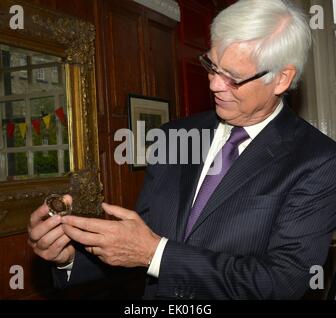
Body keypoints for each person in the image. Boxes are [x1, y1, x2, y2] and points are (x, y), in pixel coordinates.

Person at [28, 0, 336, 299]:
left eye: (233, 78)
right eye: (212, 66)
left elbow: (283, 282)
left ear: (282, 79)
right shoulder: (174, 136)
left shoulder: (317, 160)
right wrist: (66, 258)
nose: (214, 84)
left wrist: (156, 253)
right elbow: (138, 246)